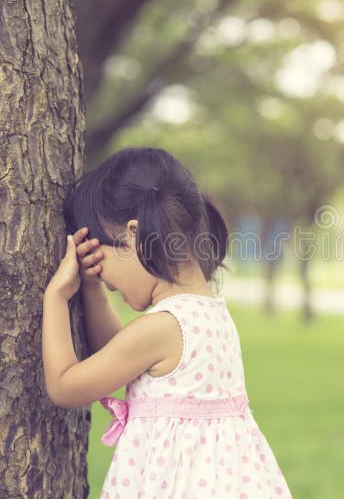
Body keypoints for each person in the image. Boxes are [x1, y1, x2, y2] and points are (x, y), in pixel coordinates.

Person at [43, 147, 292, 498]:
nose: (105, 274)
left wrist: (55, 297)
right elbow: (118, 356)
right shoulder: (209, 313)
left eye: (102, 252)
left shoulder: (162, 327)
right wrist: (93, 288)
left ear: (133, 235)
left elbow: (65, 386)